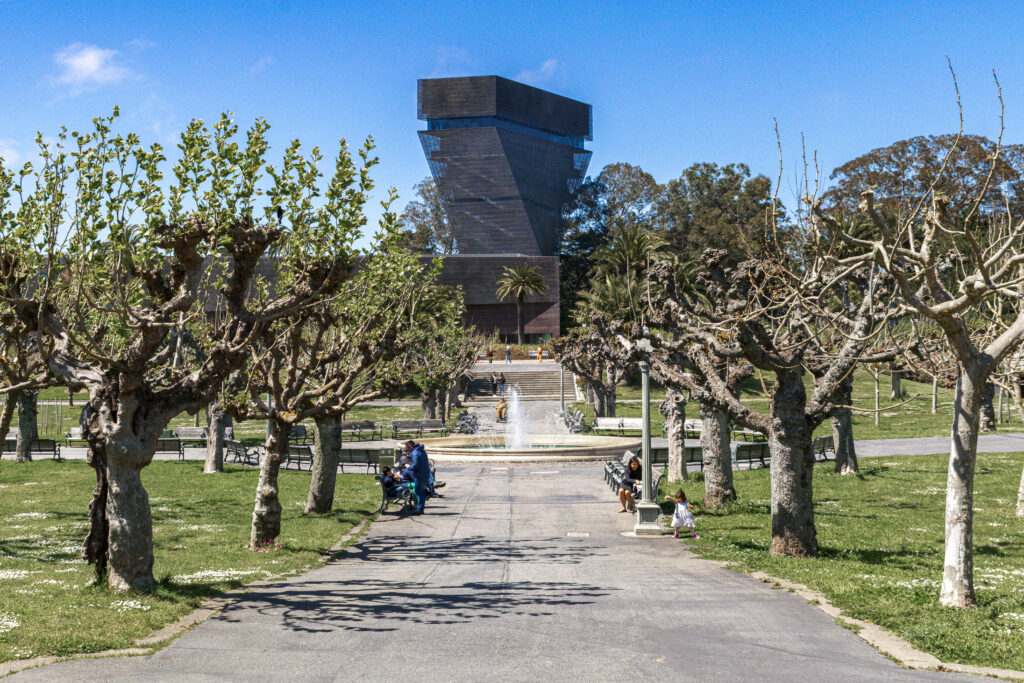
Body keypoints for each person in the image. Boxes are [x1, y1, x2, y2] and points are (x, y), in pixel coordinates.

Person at [404, 440, 432, 514]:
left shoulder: (414, 452)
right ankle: (421, 508)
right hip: (426, 473)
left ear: (410, 446)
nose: (407, 449)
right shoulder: (422, 451)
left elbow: (415, 465)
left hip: (419, 474)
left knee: (418, 491)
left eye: (407, 447)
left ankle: (420, 509)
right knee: (421, 490)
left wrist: (408, 467)